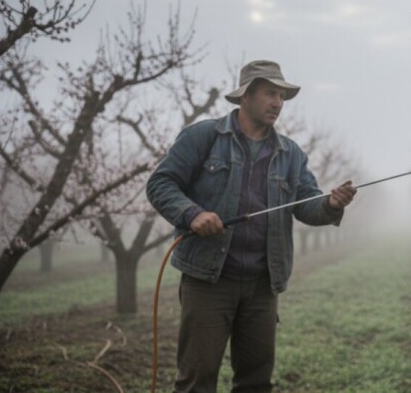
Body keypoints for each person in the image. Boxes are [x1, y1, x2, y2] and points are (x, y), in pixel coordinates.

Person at [146, 59, 356, 393]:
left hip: (262, 284)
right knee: (196, 380)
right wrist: (192, 214)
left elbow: (305, 203)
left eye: (282, 96)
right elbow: (161, 184)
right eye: (270, 93)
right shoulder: (203, 137)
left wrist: (330, 204)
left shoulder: (290, 153)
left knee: (256, 382)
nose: (278, 103)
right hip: (208, 281)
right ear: (245, 96)